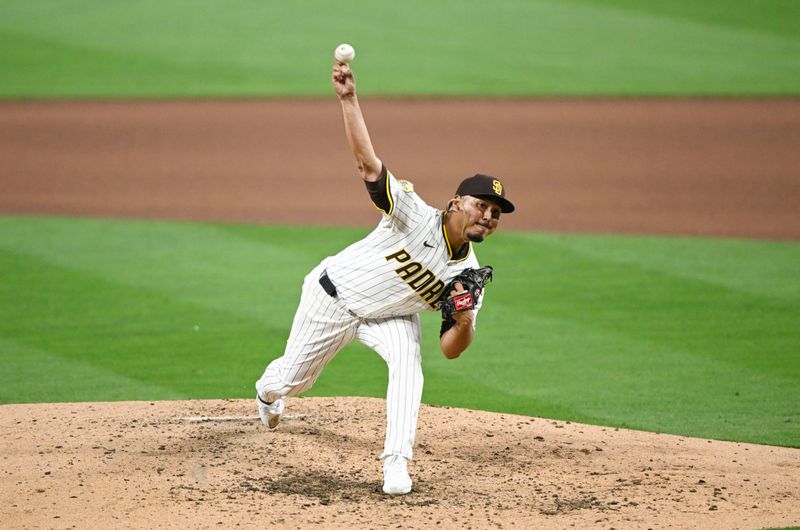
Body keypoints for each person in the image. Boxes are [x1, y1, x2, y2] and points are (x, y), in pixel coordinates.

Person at [254, 59, 515, 495]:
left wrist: (465, 320)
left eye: (494, 214)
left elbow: (450, 350)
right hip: (332, 296)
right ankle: (267, 392)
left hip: (390, 316)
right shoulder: (412, 214)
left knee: (409, 366)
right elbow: (369, 167)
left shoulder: (468, 277)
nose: (487, 217)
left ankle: (396, 463)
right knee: (294, 379)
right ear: (454, 204)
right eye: (480, 206)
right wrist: (349, 99)